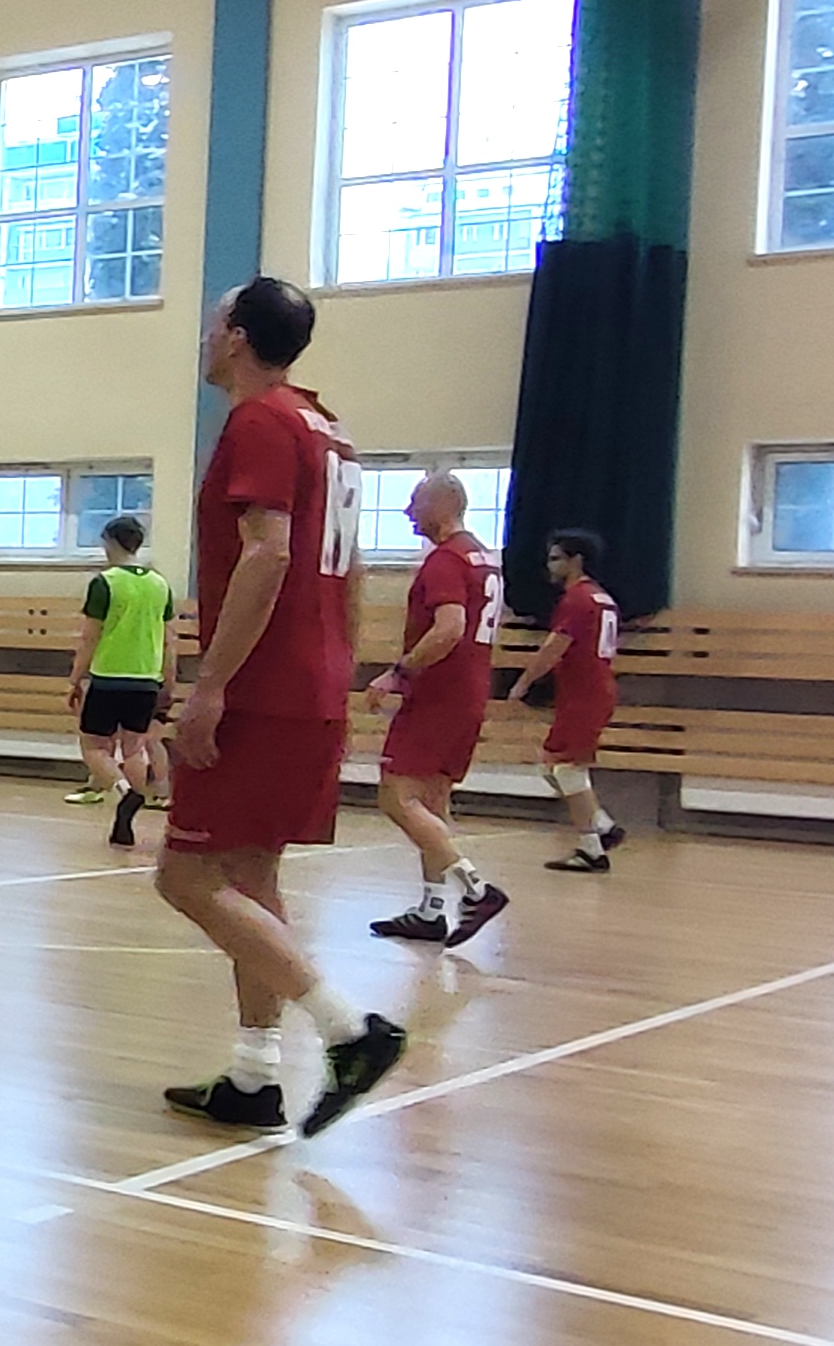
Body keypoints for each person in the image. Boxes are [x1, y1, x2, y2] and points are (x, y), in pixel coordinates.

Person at [156, 278, 406, 1137]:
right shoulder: (327, 428)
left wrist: (211, 684)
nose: (204, 337)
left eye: (211, 323)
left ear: (235, 336)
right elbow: (354, 565)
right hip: (311, 680)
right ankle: (254, 1076)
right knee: (252, 875)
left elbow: (268, 554)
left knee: (185, 876)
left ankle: (350, 1032)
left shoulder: (260, 421)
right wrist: (343, 667)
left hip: (263, 686)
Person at [365, 474, 510, 943]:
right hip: (469, 692)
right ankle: (431, 910)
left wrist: (399, 672)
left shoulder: (445, 561)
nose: (407, 512)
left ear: (442, 506)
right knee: (431, 802)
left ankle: (475, 889)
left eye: (414, 502)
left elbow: (450, 627)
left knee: (396, 797)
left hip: (438, 696)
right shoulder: (482, 558)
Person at [518, 528, 628, 874]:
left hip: (585, 694)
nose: (550, 566)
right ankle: (603, 827)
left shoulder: (577, 600)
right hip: (588, 691)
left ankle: (592, 848)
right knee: (553, 766)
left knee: (566, 769)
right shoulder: (602, 598)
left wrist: (523, 682)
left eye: (556, 558)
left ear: (575, 560)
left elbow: (554, 648)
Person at [66, 513, 172, 850]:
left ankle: (124, 792)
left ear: (109, 541)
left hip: (109, 677)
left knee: (94, 747)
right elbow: (169, 640)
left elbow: (90, 637)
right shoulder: (160, 584)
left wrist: (75, 677)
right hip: (146, 679)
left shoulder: (105, 582)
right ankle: (126, 819)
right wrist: (168, 681)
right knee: (134, 748)